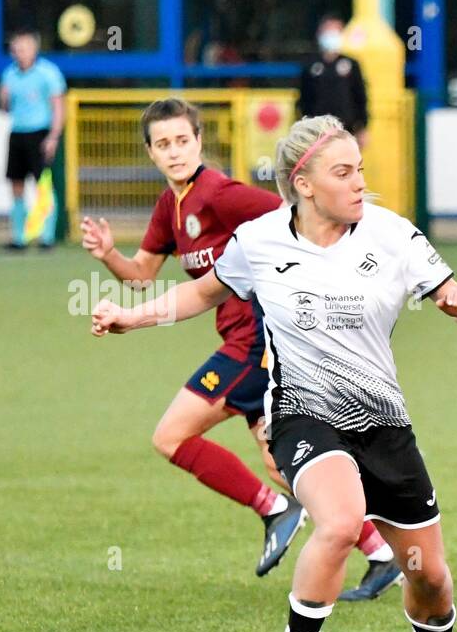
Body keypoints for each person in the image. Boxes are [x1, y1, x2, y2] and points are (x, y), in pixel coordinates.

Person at [90, 114, 457, 632]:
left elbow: (449, 291)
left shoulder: (393, 235)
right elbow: (201, 294)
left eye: (360, 170)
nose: (360, 183)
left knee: (429, 576)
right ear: (303, 183)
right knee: (339, 521)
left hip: (383, 421)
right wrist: (128, 317)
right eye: (344, 172)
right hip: (303, 415)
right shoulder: (259, 240)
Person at [82, 97, 392, 580]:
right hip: (242, 342)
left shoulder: (222, 194)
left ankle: (274, 510)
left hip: (257, 344)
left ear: (200, 141)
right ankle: (381, 553)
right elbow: (142, 274)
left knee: (170, 436)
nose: (175, 151)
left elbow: (293, 215)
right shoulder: (171, 205)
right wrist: (107, 255)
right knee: (283, 463)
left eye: (183, 140)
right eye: (163, 144)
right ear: (150, 153)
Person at [0, 28, 65, 250]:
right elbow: (6, 108)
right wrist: (3, 98)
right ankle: (20, 237)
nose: (19, 52)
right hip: (18, 132)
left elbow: (58, 107)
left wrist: (53, 136)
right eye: (16, 49)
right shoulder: (9, 75)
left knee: (43, 185)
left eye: (24, 48)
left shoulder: (48, 73)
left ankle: (46, 237)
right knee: (16, 184)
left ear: (34, 49)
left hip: (40, 133)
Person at [297, 15, 369, 150]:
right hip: (317, 132)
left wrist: (363, 127)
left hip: (346, 130)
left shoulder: (351, 64)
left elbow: (360, 97)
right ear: (319, 34)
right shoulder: (310, 65)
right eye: (328, 31)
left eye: (335, 32)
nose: (331, 36)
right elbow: (303, 99)